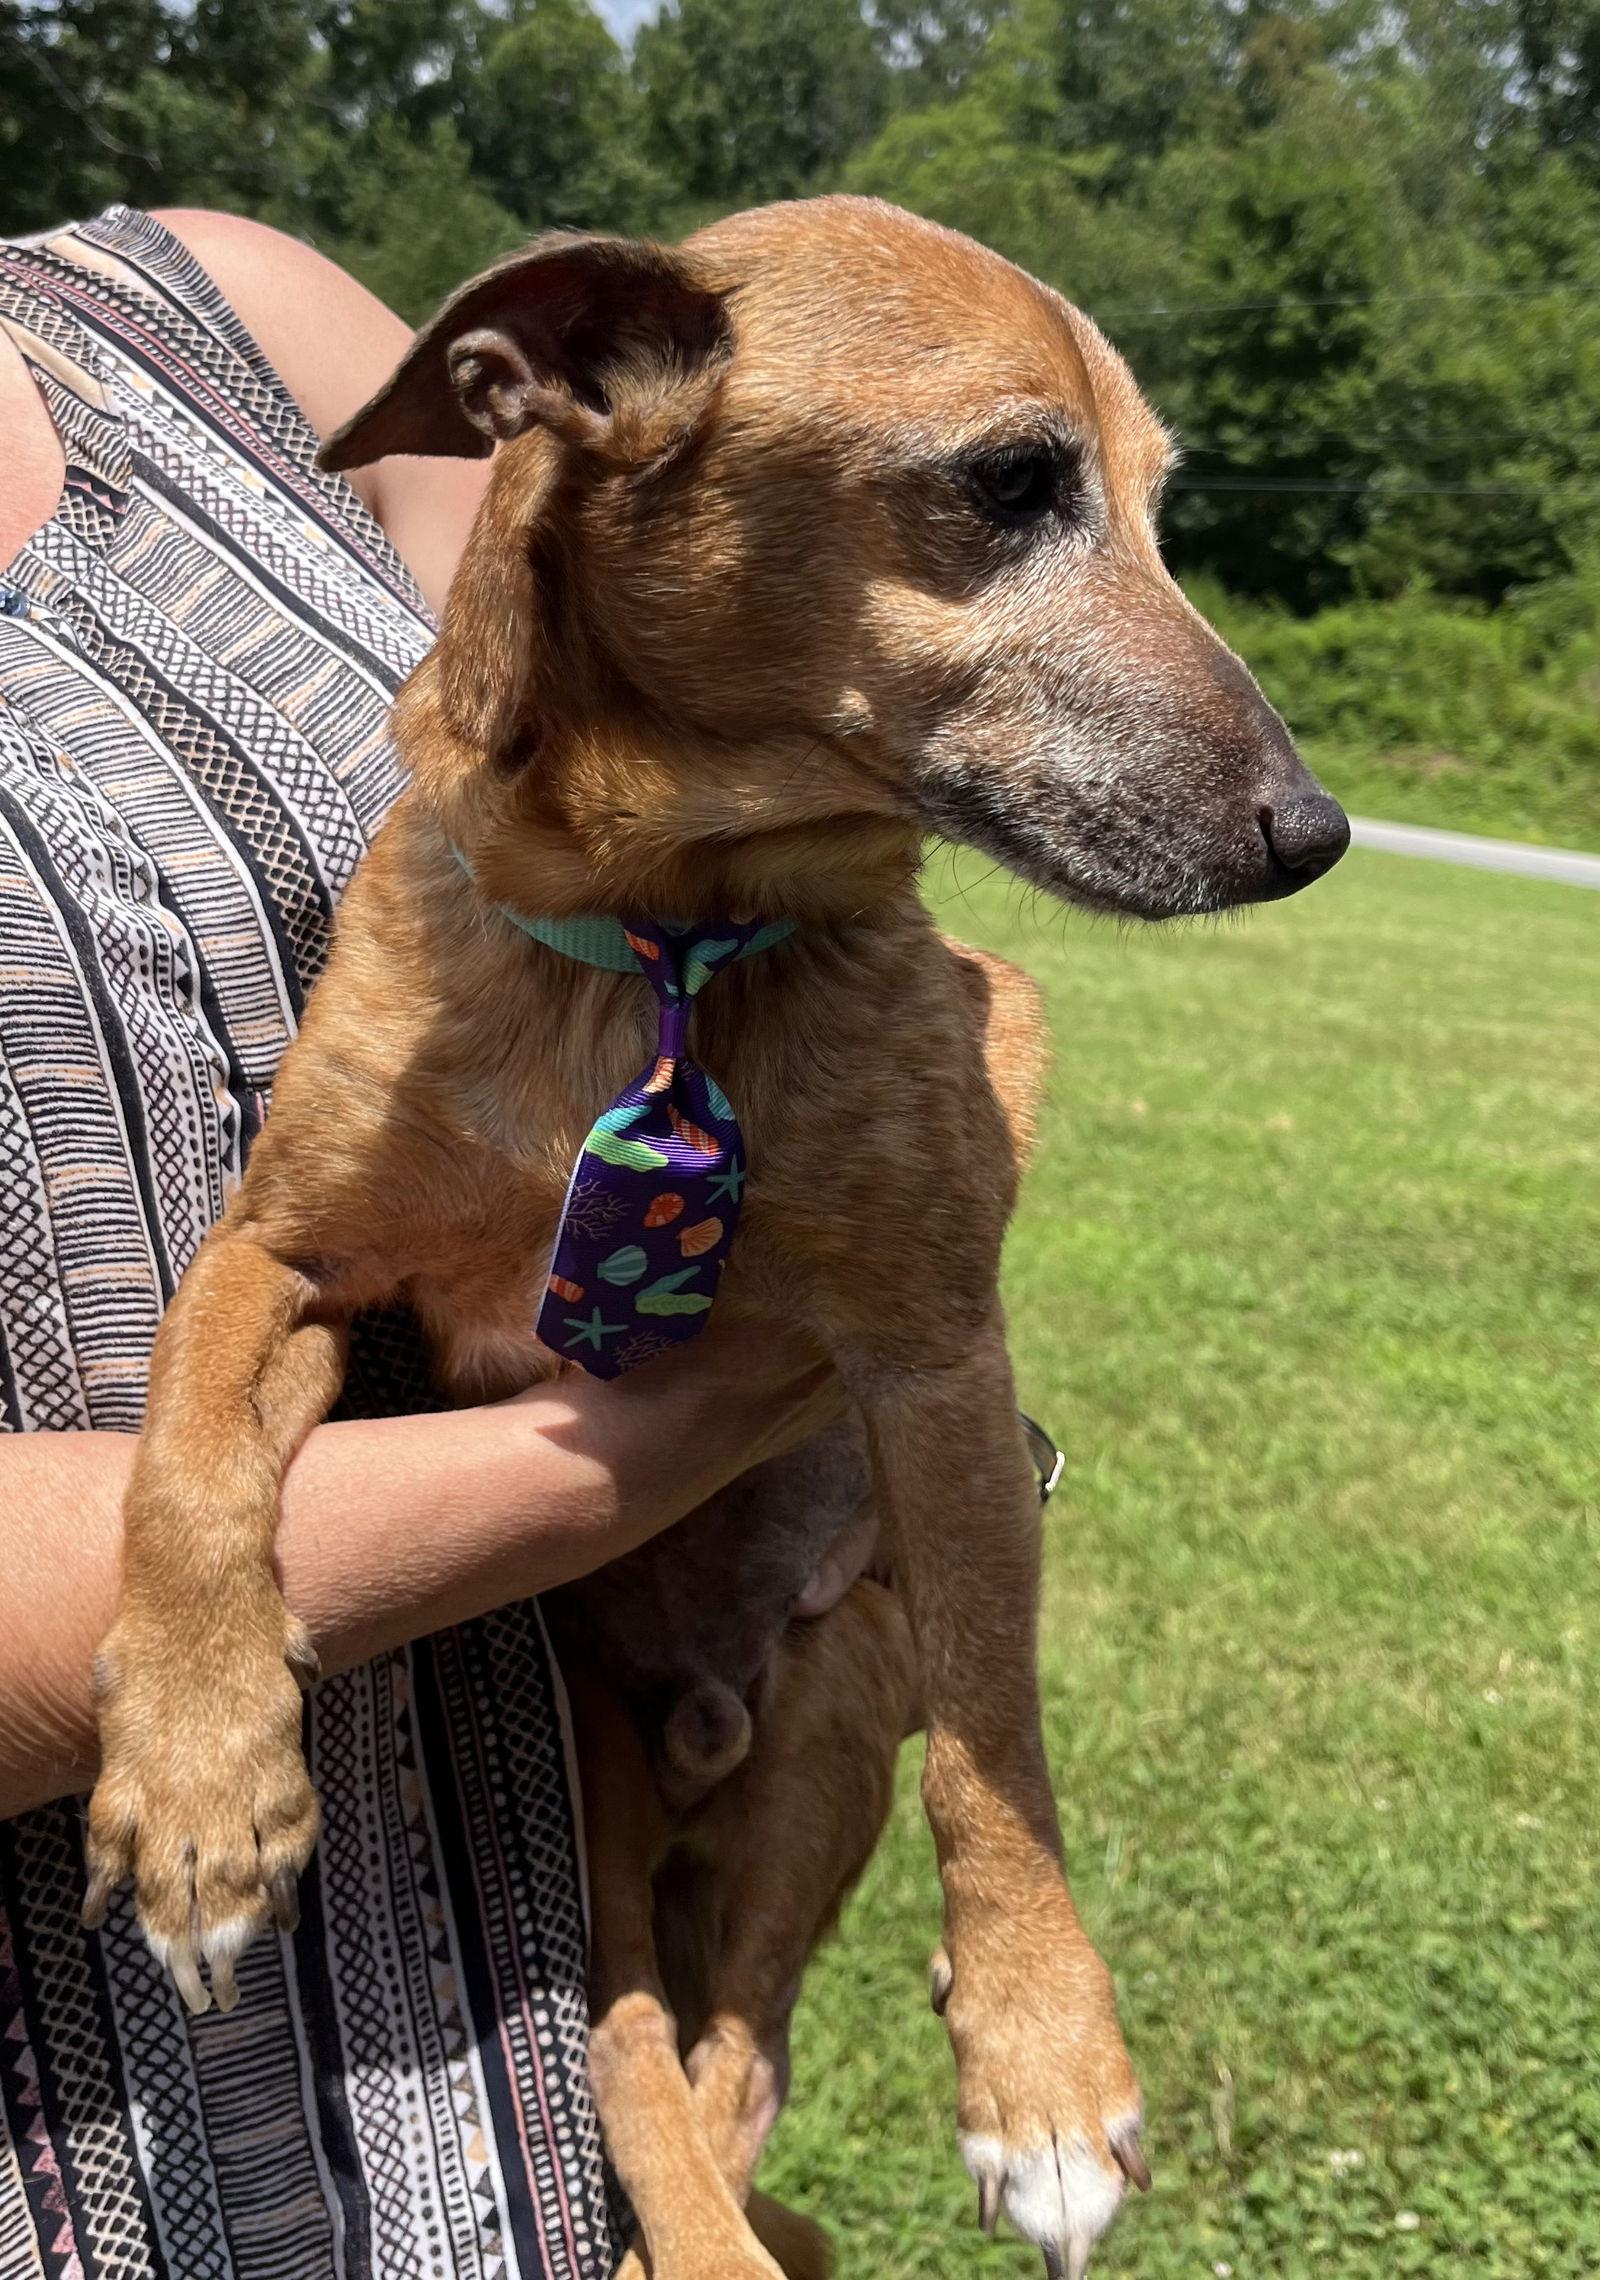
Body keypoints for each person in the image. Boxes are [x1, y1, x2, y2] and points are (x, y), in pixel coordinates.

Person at [0, 204, 846, 2280]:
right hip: (112, 2143)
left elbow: (677, 731)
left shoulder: (208, 313)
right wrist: (661, 1444)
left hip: (537, 1997)